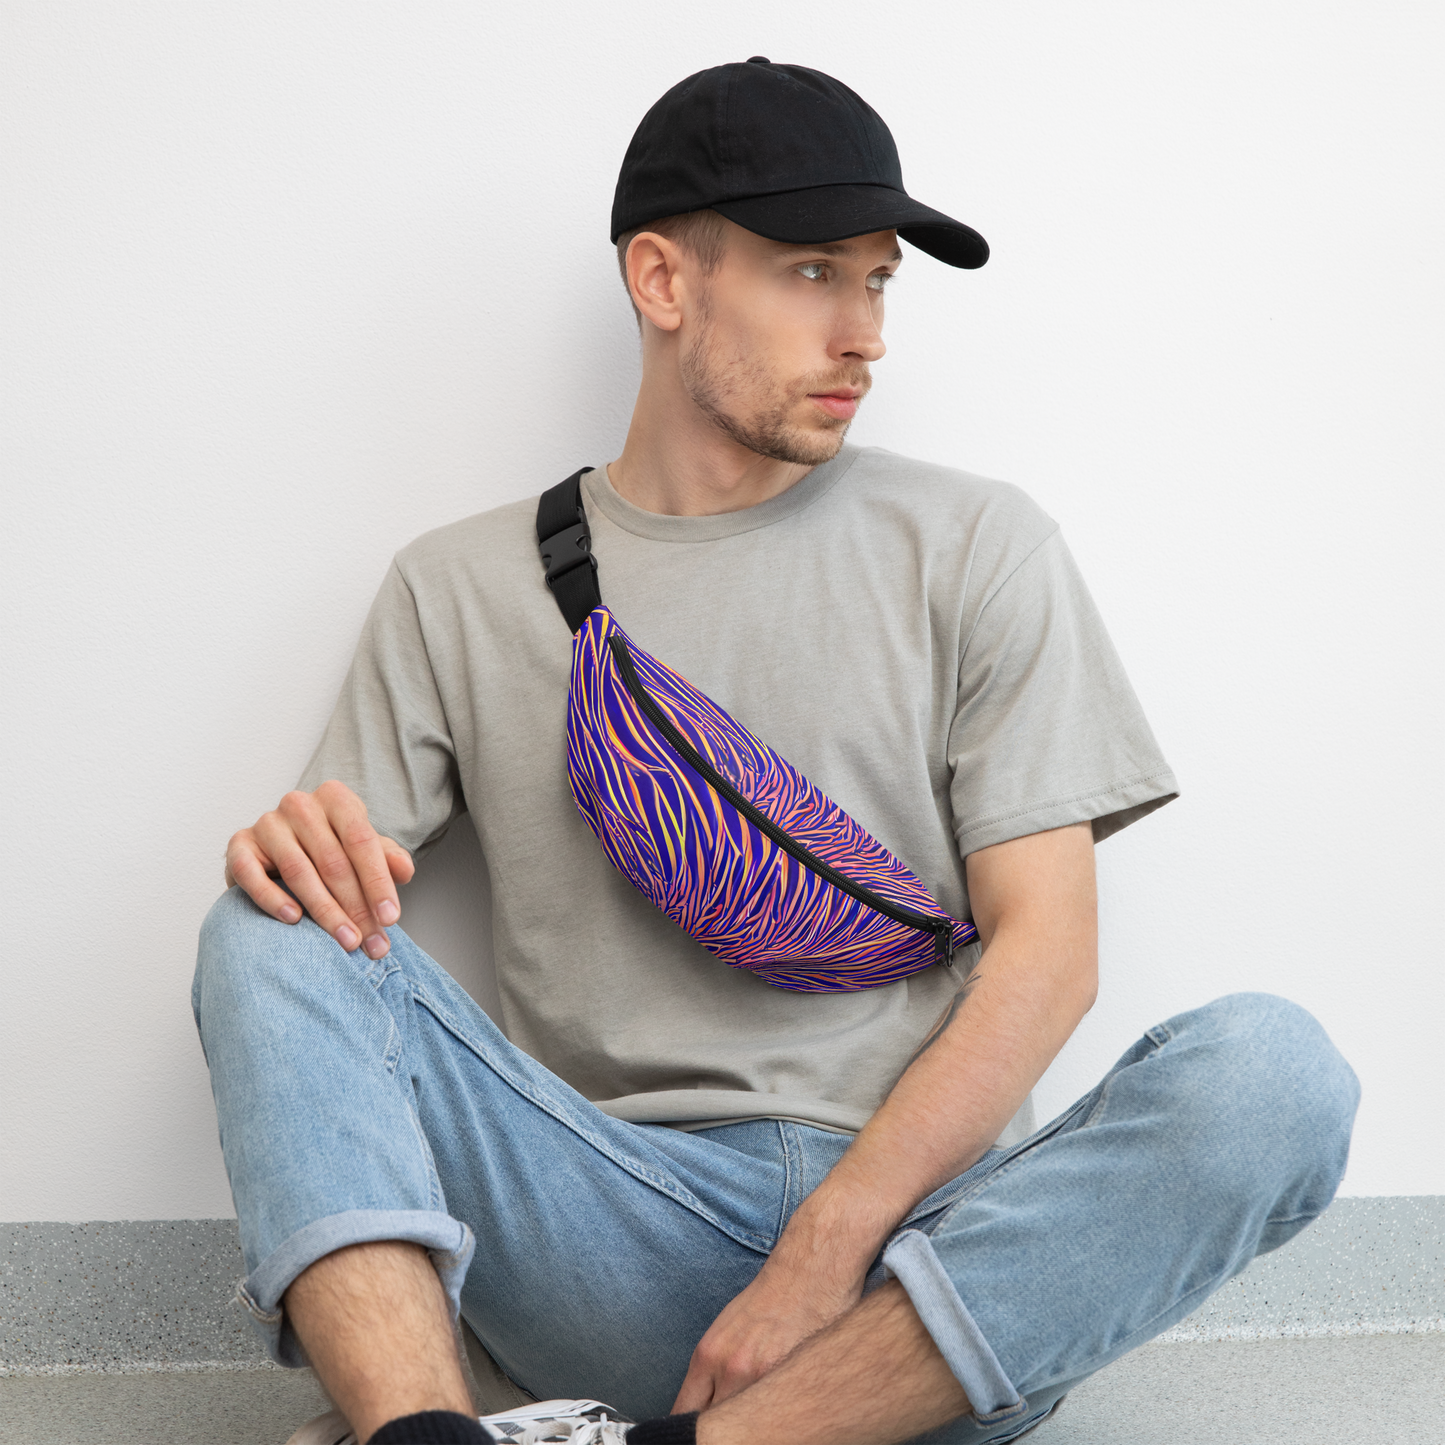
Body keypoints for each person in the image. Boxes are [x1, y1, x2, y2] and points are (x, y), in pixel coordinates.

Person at [193, 59, 1359, 1445]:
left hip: (923, 1286)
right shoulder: (459, 585)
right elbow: (337, 925)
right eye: (815, 274)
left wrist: (822, 1255)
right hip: (615, 1230)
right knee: (265, 933)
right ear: (662, 280)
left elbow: (1050, 955)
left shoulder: (977, 548)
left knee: (1275, 1075)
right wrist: (295, 857)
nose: (865, 335)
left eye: (880, 283)